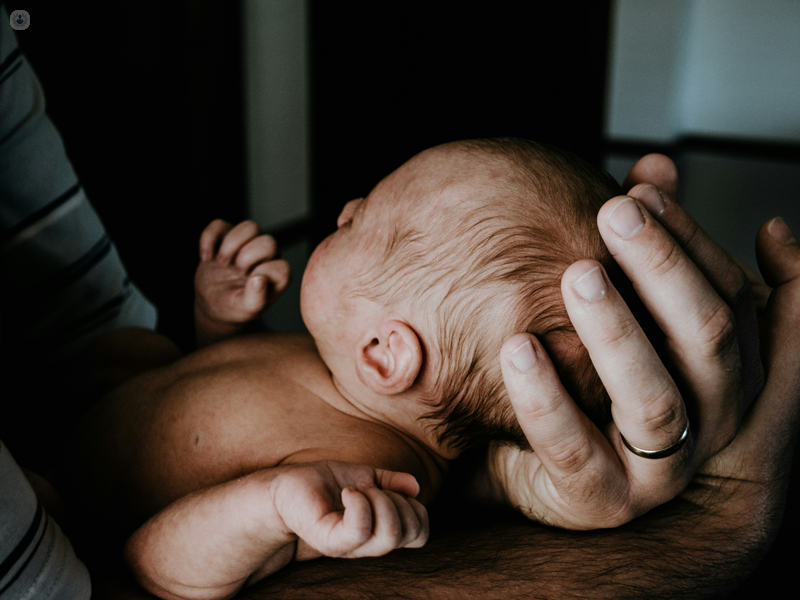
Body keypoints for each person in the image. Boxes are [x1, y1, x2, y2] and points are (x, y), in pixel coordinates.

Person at [61, 138, 790, 600]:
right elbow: (224, 380)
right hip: (118, 395)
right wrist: (223, 320)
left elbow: (160, 571)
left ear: (387, 352)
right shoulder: (340, 369)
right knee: (134, 351)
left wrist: (270, 508)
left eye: (362, 219)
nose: (345, 207)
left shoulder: (358, 475)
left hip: (76, 508)